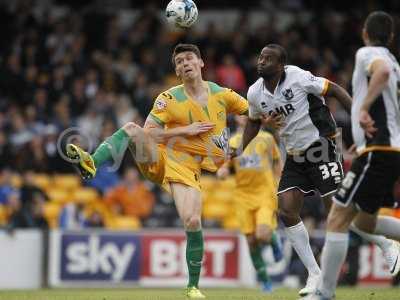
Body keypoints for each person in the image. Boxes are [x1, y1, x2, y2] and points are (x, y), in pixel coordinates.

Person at [65, 43, 249, 299]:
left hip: (187, 169)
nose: (185, 64)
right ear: (177, 71)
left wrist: (244, 130)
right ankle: (92, 163)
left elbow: (254, 112)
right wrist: (183, 130)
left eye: (189, 59)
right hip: (158, 157)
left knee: (193, 221)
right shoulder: (168, 98)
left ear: (201, 63)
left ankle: (193, 286)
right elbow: (149, 131)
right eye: (179, 62)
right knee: (131, 129)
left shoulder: (223, 94)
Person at [239, 43, 400, 297]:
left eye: (267, 59)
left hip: (321, 146)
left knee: (337, 212)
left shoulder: (299, 77)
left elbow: (334, 89)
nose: (261, 61)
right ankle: (314, 274)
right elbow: (252, 122)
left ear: (281, 65)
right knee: (286, 210)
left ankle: (385, 244)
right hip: (294, 155)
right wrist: (238, 150)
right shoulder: (254, 93)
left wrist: (359, 114)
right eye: (260, 57)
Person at [306, 11, 400, 300]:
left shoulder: (368, 53)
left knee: (337, 217)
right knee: (364, 223)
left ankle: (325, 292)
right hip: (385, 149)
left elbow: (380, 72)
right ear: (391, 37)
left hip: (379, 150)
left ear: (364, 32)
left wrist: (362, 108)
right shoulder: (394, 61)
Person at [217, 115, 283, 293]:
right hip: (242, 196)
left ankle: (274, 240)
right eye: (242, 115)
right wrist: (222, 171)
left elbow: (277, 161)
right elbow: (225, 165)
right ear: (238, 119)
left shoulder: (266, 139)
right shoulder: (232, 141)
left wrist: (279, 181)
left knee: (262, 235)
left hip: (264, 193)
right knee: (251, 240)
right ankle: (265, 281)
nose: (245, 118)